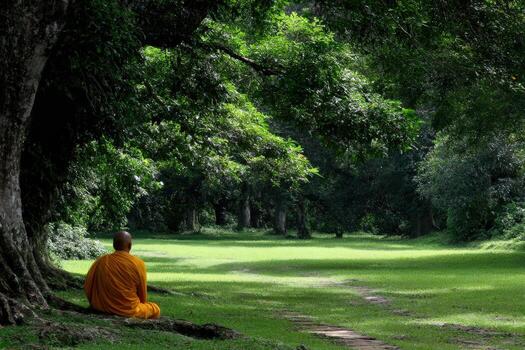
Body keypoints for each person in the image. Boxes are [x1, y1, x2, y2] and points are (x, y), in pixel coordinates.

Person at [84, 231, 160, 319]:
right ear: (130, 245)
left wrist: (98, 302)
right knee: (155, 309)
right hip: (128, 311)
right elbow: (142, 295)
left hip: (101, 308)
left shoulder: (101, 261)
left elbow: (87, 286)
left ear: (114, 245)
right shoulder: (138, 263)